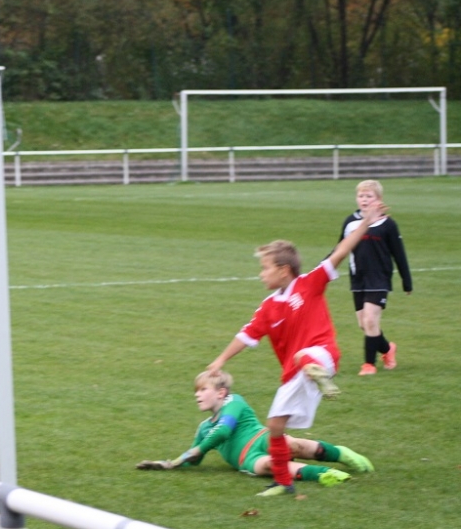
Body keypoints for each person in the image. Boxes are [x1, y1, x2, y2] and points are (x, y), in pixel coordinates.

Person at [205, 196, 386, 497]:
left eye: (265, 267)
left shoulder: (310, 283)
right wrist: (220, 360)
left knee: (304, 355)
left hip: (322, 355)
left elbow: (341, 251)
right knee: (275, 426)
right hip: (295, 372)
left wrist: (366, 221)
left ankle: (319, 374)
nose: (261, 273)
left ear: (284, 270)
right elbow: (246, 335)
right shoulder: (268, 307)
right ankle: (283, 482)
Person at [135, 371, 374, 486]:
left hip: (262, 438)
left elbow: (224, 431)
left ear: (220, 393)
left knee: (292, 445)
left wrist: (195, 451)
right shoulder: (203, 428)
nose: (197, 395)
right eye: (196, 391)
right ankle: (323, 475)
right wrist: (168, 464)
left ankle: (341, 454)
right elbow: (194, 460)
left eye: (202, 390)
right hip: (247, 459)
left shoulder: (234, 402)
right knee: (270, 465)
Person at [337, 180, 412, 376]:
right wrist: (324, 267)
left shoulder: (388, 224)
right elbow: (340, 249)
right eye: (361, 196)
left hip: (379, 279)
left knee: (370, 320)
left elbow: (399, 254)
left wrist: (406, 280)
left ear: (378, 199)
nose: (364, 199)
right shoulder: (350, 222)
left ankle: (368, 365)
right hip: (358, 279)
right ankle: (387, 349)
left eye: (369, 196)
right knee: (364, 324)